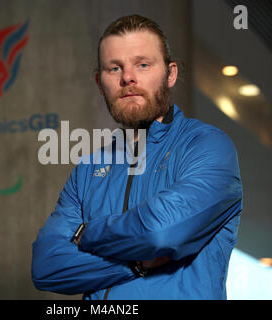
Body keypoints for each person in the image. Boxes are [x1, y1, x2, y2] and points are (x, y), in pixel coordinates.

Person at [32, 14, 243, 300]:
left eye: (142, 65)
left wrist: (86, 234)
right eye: (114, 68)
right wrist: (136, 264)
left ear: (170, 74)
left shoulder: (207, 146)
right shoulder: (88, 170)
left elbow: (160, 233)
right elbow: (47, 267)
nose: (127, 77)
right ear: (99, 82)